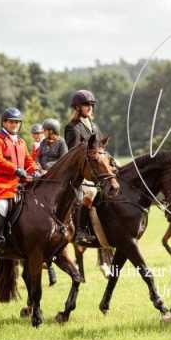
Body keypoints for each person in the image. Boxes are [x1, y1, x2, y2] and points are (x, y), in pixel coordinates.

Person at [0, 107, 36, 253]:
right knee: (2, 205)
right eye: (12, 122)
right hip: (1, 183)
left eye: (17, 122)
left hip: (20, 183)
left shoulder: (21, 142)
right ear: (4, 123)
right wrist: (15, 169)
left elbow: (29, 161)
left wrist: (36, 170)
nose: (15, 125)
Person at [65, 90, 103, 245]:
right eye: (86, 105)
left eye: (91, 105)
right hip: (80, 173)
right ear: (78, 107)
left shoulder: (94, 126)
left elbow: (100, 148)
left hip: (97, 169)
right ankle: (81, 231)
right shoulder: (72, 127)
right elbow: (73, 154)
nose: (90, 107)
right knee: (91, 192)